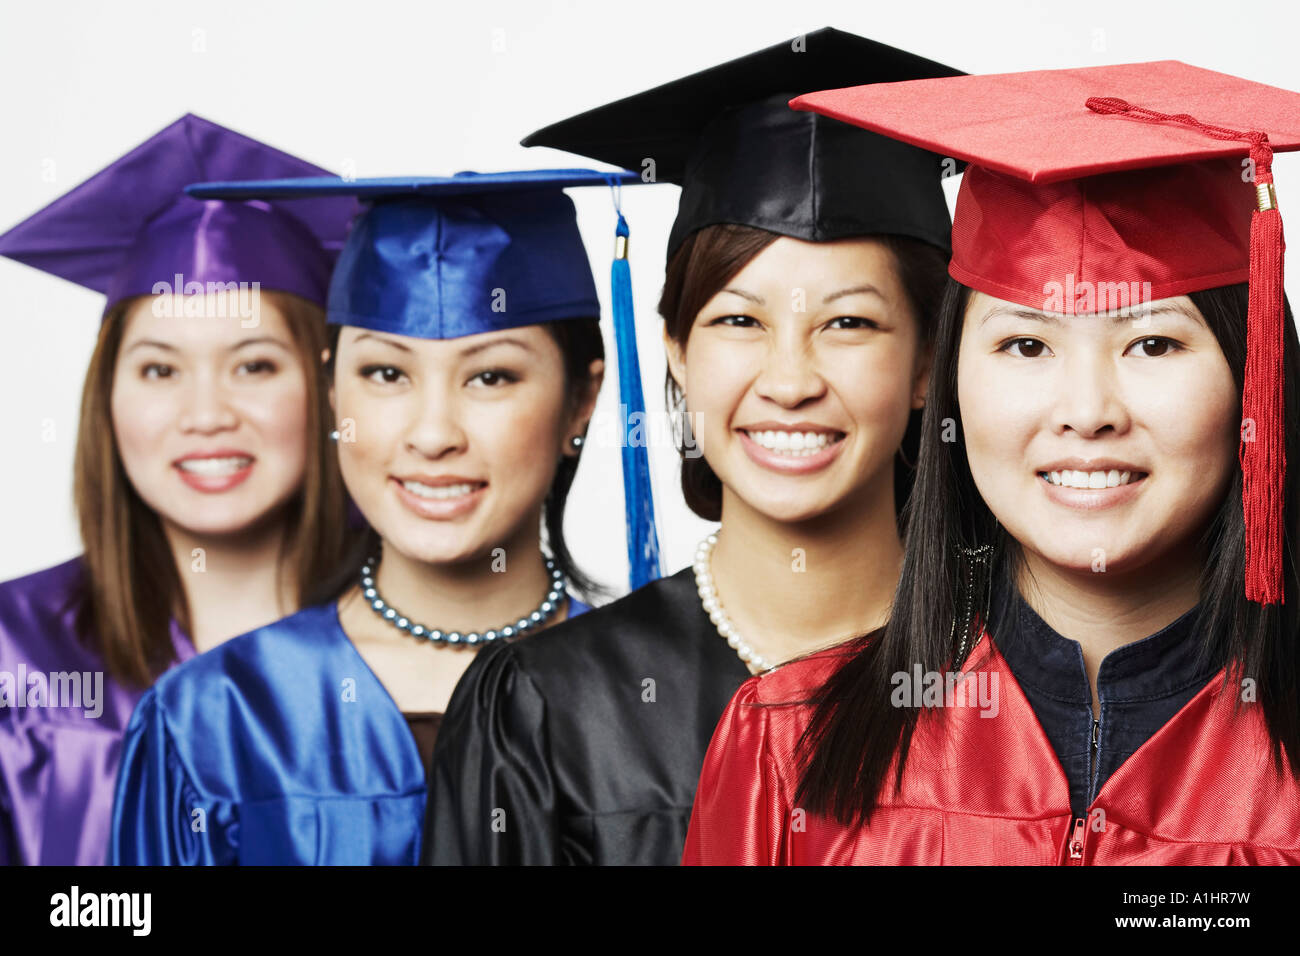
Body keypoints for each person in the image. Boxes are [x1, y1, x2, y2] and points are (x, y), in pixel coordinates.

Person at [683, 60, 1300, 865]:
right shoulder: (787, 748)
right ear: (949, 384)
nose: (1086, 410)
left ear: (1255, 377)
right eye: (1025, 343)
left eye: (1153, 342)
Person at [423, 28, 960, 865]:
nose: (790, 381)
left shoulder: (1021, 686)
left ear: (927, 362)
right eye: (738, 321)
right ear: (676, 352)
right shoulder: (550, 707)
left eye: (848, 323)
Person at [110, 168, 649, 864]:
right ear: (333, 391)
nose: (432, 434)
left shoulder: (657, 704)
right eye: (387, 375)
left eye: (491, 376)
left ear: (582, 400)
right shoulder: (213, 719)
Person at [0, 114, 356, 865]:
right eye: (160, 369)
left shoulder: (414, 645)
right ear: (107, 396)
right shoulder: (15, 654)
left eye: (254, 365)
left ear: (327, 388)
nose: (205, 415)